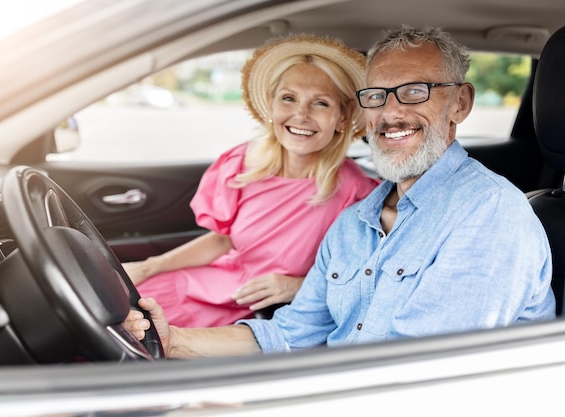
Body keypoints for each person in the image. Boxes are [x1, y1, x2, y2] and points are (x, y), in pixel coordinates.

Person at [124, 25, 556, 357]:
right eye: (376, 96)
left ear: (459, 103)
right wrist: (172, 340)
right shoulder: (355, 224)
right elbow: (289, 333)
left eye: (413, 92)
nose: (390, 112)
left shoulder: (490, 212)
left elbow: (426, 372)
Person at [122, 34, 379, 328]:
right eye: (288, 98)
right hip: (211, 283)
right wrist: (148, 268)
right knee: (117, 306)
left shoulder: (357, 192)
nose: (301, 115)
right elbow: (223, 240)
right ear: (271, 106)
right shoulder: (242, 164)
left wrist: (297, 285)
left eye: (320, 103)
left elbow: (362, 273)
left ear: (343, 117)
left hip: (260, 313)